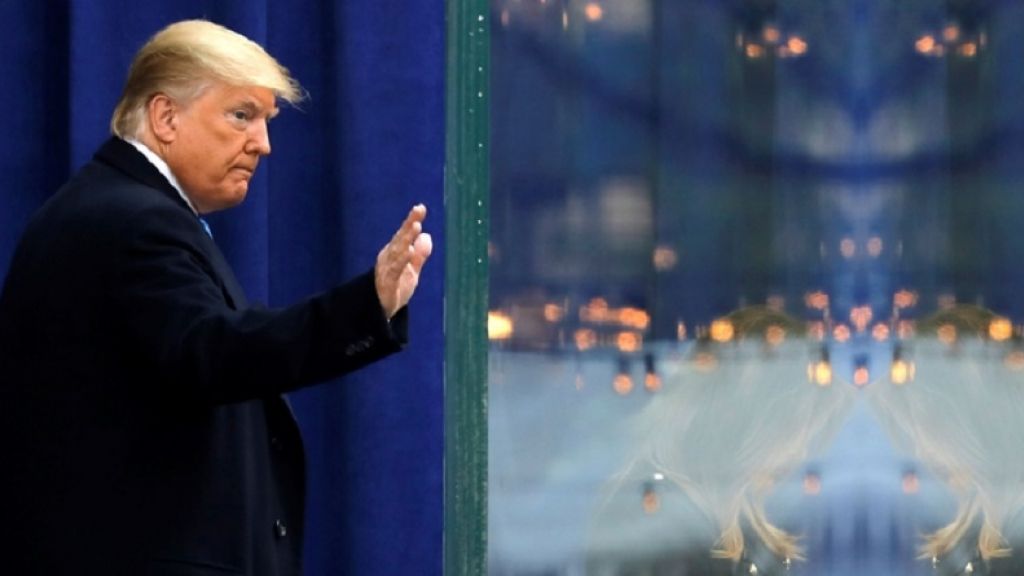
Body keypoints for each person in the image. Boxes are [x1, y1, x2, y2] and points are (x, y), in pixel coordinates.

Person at [0, 19, 432, 576]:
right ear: (165, 117)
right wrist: (365, 307)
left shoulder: (110, 207)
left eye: (266, 120)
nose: (263, 144)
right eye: (241, 115)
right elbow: (216, 351)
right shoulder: (133, 222)